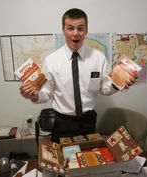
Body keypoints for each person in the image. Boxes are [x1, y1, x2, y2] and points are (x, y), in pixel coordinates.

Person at [19, 8, 137, 143]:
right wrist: (34, 96)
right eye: (70, 28)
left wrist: (119, 83)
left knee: (88, 160)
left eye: (80, 28)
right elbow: (46, 92)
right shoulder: (51, 60)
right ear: (63, 30)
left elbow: (104, 88)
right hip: (62, 123)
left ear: (86, 30)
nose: (76, 33)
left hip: (88, 121)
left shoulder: (98, 58)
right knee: (65, 162)